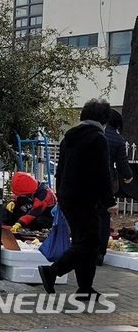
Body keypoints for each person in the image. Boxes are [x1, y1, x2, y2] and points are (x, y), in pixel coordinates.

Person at [38, 98, 118, 299]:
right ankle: (52, 272)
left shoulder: (69, 138)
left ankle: (85, 288)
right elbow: (103, 173)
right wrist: (109, 202)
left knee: (83, 241)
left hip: (67, 197)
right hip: (86, 199)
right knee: (90, 243)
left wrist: (60, 193)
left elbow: (60, 169)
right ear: (103, 120)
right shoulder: (97, 138)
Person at [98, 109, 134, 265]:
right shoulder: (118, 139)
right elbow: (121, 163)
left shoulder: (95, 134)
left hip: (87, 182)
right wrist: (128, 176)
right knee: (104, 216)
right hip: (107, 181)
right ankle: (99, 253)